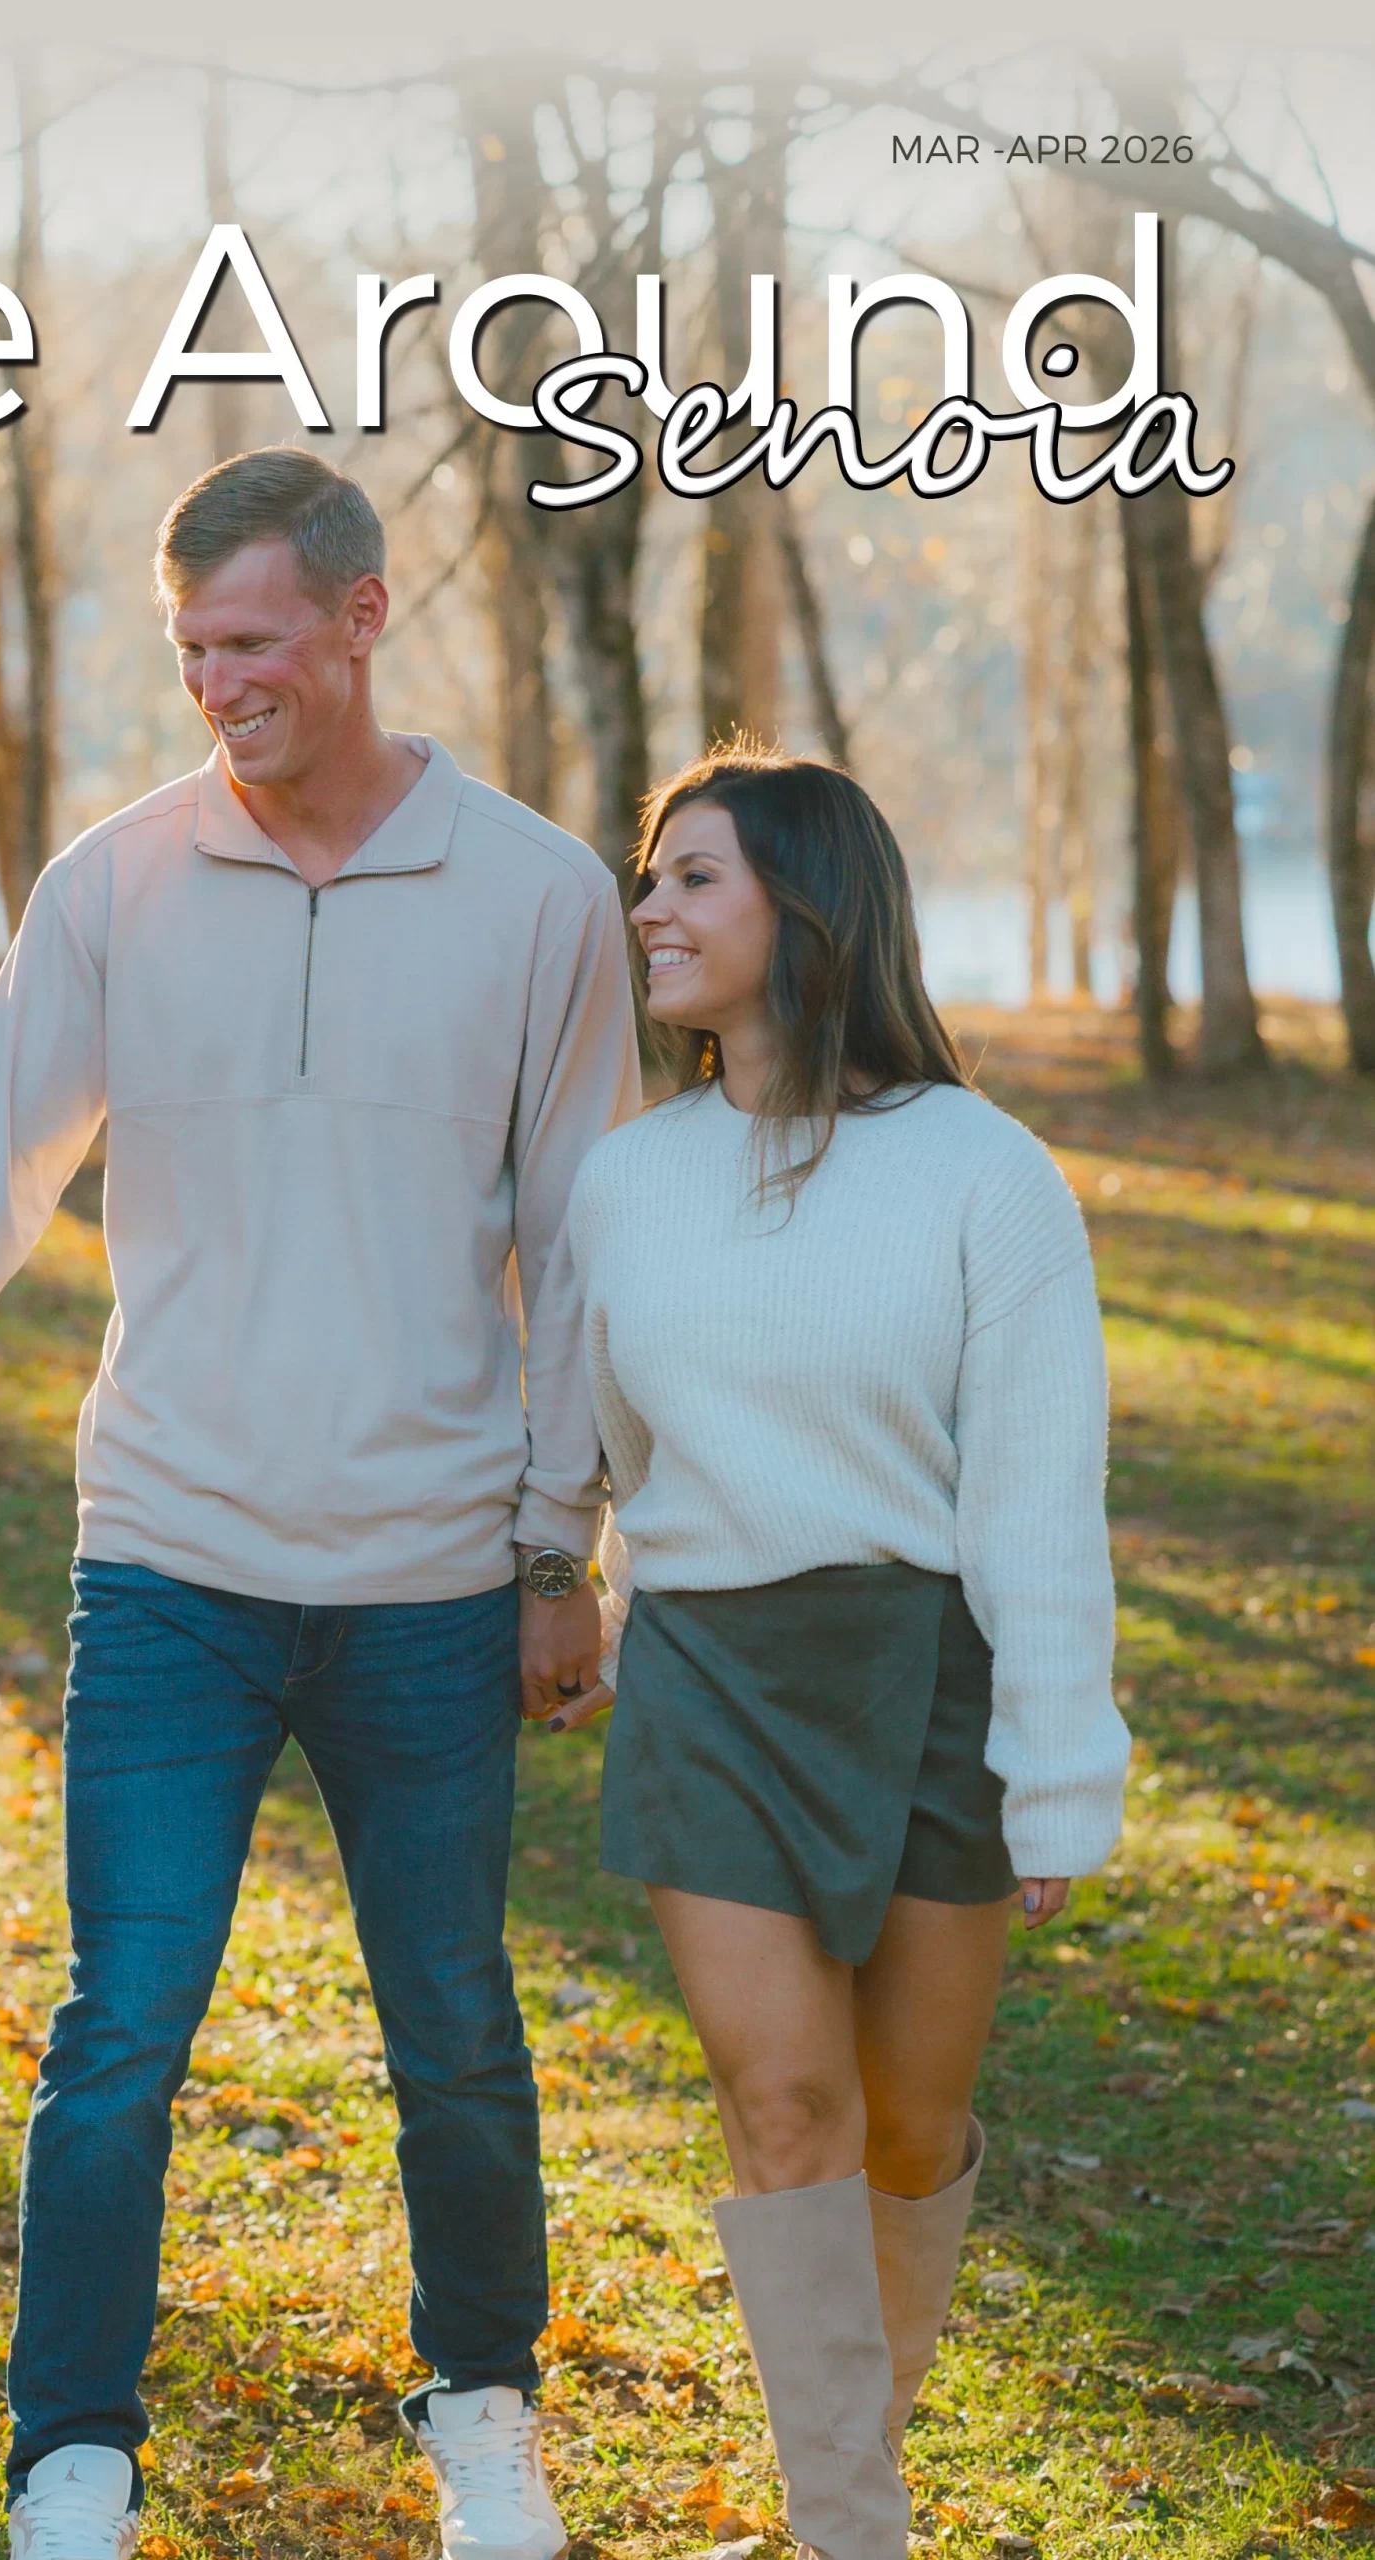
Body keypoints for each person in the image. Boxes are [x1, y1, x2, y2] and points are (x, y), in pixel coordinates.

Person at [0, 448, 642, 2560]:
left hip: (431, 1572)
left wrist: (554, 1538)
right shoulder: (114, 882)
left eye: (250, 641)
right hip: (165, 1556)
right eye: (189, 650)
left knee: (452, 2028)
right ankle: (77, 2443)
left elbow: (583, 1241)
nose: (216, 683)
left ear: (357, 616)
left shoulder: (535, 896)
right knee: (118, 2025)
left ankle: (483, 2405)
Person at [552, 747, 1129, 2560]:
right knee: (781, 2098)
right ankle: (850, 2527)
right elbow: (593, 1452)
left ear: (807, 910)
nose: (648, 907)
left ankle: (842, 2495)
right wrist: (555, 1579)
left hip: (933, 1680)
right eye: (649, 876)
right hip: (713, 1671)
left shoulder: (986, 1174)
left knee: (903, 2119)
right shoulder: (625, 1186)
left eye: (692, 877)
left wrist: (1059, 1773)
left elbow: (1039, 1497)